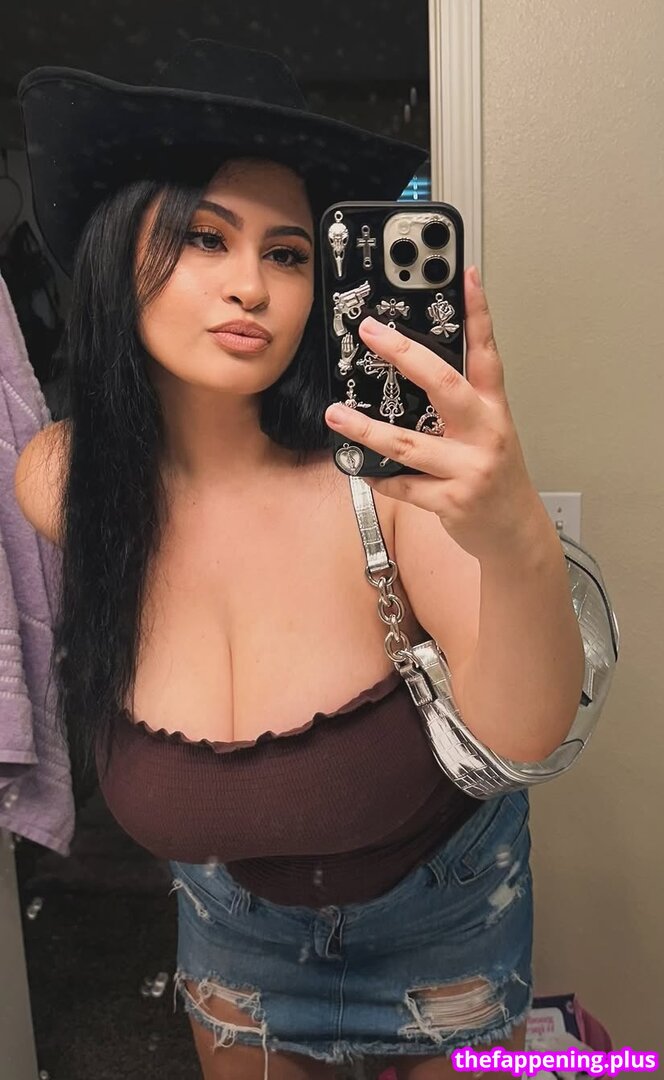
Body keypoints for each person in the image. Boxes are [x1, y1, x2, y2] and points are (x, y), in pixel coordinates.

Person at [13, 40, 585, 1080]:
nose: (251, 287)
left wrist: (510, 535)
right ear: (114, 251)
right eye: (204, 237)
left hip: (444, 932)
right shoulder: (65, 482)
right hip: (232, 938)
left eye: (286, 255)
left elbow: (523, 737)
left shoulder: (383, 488)